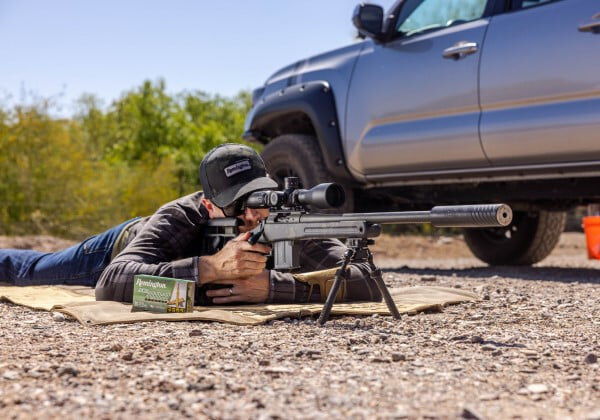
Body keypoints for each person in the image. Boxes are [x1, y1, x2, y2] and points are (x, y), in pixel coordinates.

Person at [1, 143, 382, 305]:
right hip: (123, 246)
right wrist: (211, 268)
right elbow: (111, 283)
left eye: (261, 199)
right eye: (239, 206)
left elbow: (368, 280)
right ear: (209, 205)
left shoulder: (283, 217)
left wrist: (275, 288)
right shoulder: (181, 216)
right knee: (33, 270)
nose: (253, 217)